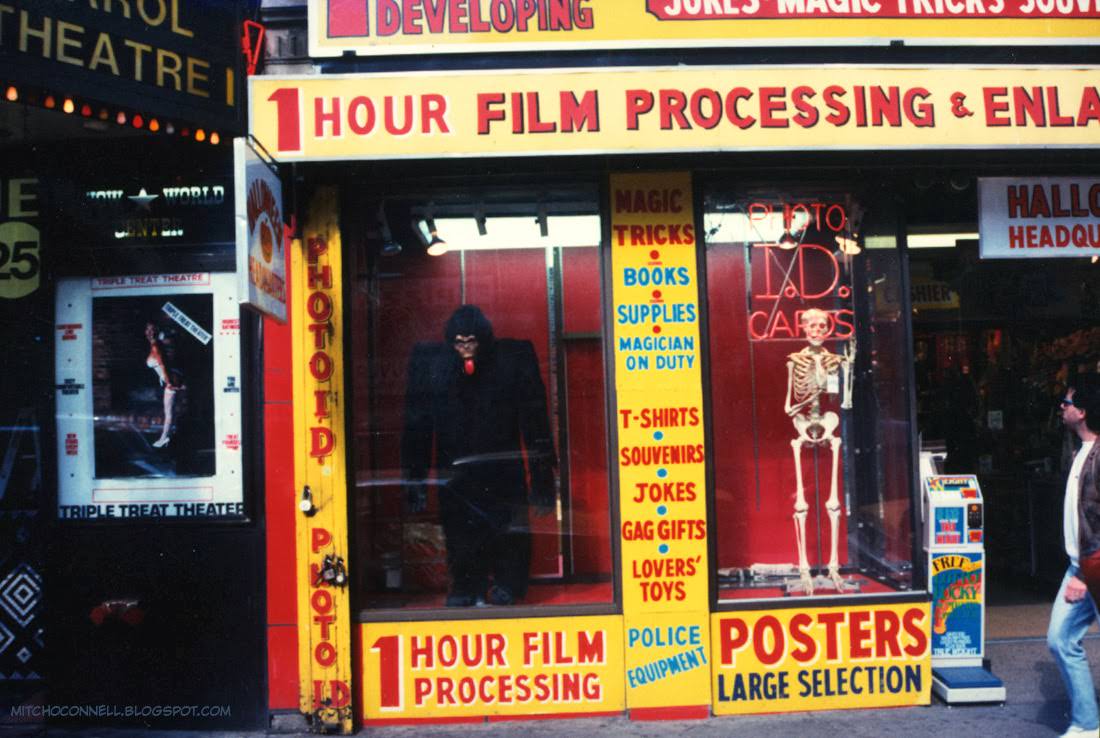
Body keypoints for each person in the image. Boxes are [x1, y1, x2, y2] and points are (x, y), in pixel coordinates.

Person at [401, 305, 555, 607]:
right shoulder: (434, 364)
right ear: (451, 342)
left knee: (508, 528)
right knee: (460, 530)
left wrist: (542, 478)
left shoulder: (512, 360)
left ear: (483, 340)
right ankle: (466, 586)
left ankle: (507, 583)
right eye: (459, 342)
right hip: (457, 468)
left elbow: (535, 422)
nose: (466, 349)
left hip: (502, 465)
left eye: (471, 341)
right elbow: (417, 426)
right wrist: (415, 479)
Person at [1048, 374, 1100, 738]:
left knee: (1062, 639)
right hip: (1079, 565)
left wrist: (1084, 574)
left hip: (1091, 566)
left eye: (1066, 403)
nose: (1061, 408)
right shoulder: (1078, 451)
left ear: (1081, 412)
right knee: (1060, 640)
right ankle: (1086, 723)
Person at [144, 322, 183, 448]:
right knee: (170, 411)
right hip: (169, 378)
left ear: (156, 331)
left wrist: (168, 382)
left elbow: (163, 365)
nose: (149, 332)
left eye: (152, 330)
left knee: (169, 412)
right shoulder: (155, 345)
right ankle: (168, 436)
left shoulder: (156, 346)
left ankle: (164, 438)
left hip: (171, 379)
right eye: (147, 330)